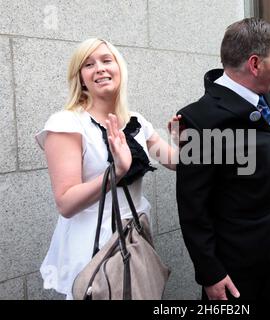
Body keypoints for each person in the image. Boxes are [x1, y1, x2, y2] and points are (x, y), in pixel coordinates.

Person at [175, 18, 270, 301]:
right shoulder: (200, 121)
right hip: (236, 275)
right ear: (254, 64)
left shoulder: (266, 97)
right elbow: (193, 208)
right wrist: (210, 273)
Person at [35, 38, 177, 299]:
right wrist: (116, 173)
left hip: (135, 236)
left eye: (106, 60)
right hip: (94, 243)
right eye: (88, 64)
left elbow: (176, 162)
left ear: (119, 68)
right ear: (81, 78)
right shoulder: (66, 123)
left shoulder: (137, 121)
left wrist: (181, 139)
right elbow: (66, 203)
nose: (99, 68)